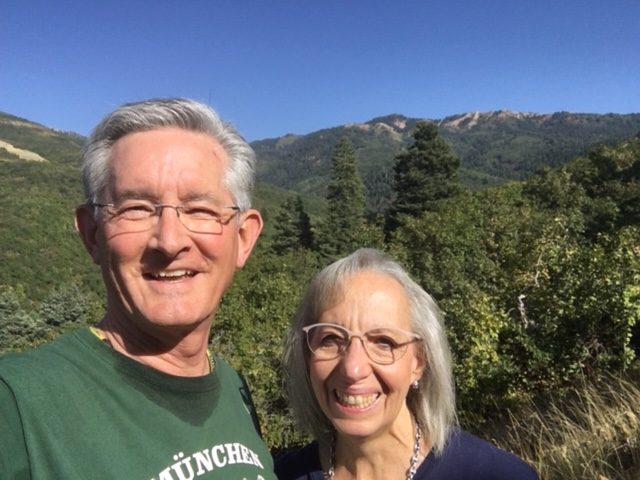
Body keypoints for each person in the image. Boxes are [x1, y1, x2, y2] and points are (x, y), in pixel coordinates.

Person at [0, 98, 277, 480]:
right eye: (137, 208)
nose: (169, 241)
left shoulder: (234, 389)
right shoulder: (17, 405)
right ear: (92, 234)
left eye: (200, 210)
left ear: (243, 238)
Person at [275, 248, 538, 480]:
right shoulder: (278, 475)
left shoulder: (497, 475)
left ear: (419, 362)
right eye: (331, 339)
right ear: (306, 356)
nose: (352, 369)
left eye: (383, 342)